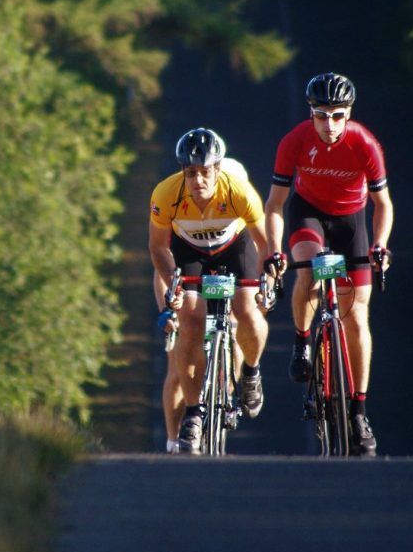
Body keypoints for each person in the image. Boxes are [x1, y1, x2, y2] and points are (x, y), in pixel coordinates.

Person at [263, 73, 393, 456]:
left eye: (338, 115)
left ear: (349, 113)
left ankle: (358, 411)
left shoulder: (365, 144)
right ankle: (303, 342)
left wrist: (381, 245)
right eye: (322, 115)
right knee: (309, 270)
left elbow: (383, 204)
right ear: (311, 113)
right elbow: (274, 205)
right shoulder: (295, 141)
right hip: (310, 216)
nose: (330, 124)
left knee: (357, 317)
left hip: (351, 222)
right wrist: (274, 250)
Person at [150, 129, 271, 454]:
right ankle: (193, 414)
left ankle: (251, 372)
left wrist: (269, 279)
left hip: (235, 247)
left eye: (205, 172)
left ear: (219, 170)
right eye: (191, 173)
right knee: (190, 320)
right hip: (190, 251)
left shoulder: (240, 192)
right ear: (182, 173)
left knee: (247, 309)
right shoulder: (166, 194)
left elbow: (264, 245)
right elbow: (159, 249)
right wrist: (172, 291)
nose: (198, 180)